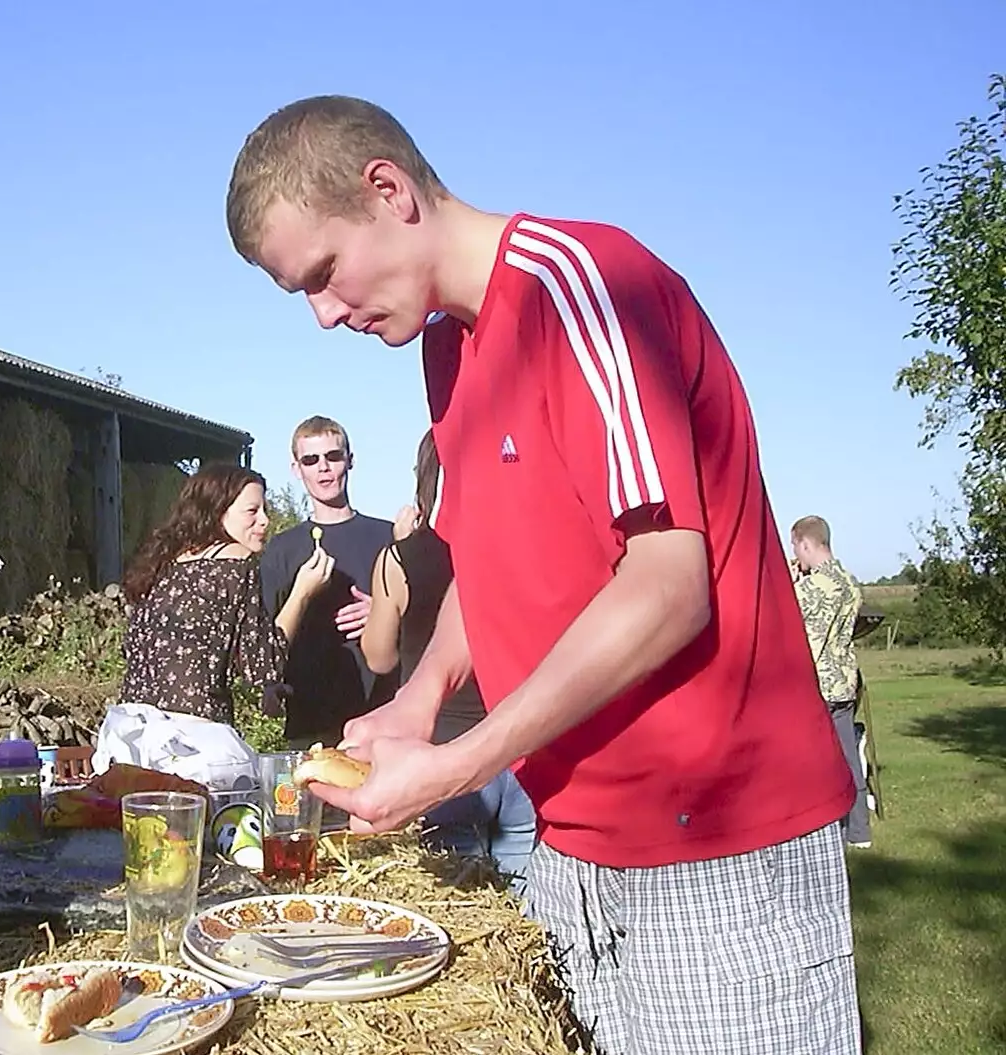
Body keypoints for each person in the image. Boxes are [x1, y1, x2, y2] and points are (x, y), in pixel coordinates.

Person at [227, 95, 858, 1053]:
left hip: (717, 844)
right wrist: (422, 697)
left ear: (388, 190)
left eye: (323, 275)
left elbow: (668, 583)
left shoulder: (583, 286)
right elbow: (486, 561)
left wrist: (457, 764)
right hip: (573, 848)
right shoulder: (450, 349)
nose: (324, 315)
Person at [360, 429, 535, 888]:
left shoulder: (398, 559)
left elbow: (378, 659)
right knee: (528, 909)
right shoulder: (515, 549)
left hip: (438, 754)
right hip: (516, 746)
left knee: (459, 903)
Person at [94, 463, 331, 787]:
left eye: (265, 509)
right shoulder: (235, 562)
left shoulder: (163, 564)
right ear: (218, 511)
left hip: (129, 743)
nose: (264, 520)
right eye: (252, 511)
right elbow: (262, 667)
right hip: (193, 749)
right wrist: (302, 593)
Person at [259, 416, 398, 749]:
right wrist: (269, 690)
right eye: (311, 459)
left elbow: (431, 622)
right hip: (310, 723)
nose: (323, 468)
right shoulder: (281, 548)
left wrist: (385, 615)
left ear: (350, 460)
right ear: (297, 468)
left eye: (333, 456)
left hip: (385, 719)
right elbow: (263, 639)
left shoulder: (389, 536)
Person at [791, 515, 871, 849]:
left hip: (815, 685)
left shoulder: (809, 588)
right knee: (849, 759)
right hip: (843, 682)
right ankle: (859, 831)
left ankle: (813, 829)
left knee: (808, 763)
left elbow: (788, 625)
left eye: (795, 546)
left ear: (805, 544)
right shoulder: (851, 583)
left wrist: (793, 581)